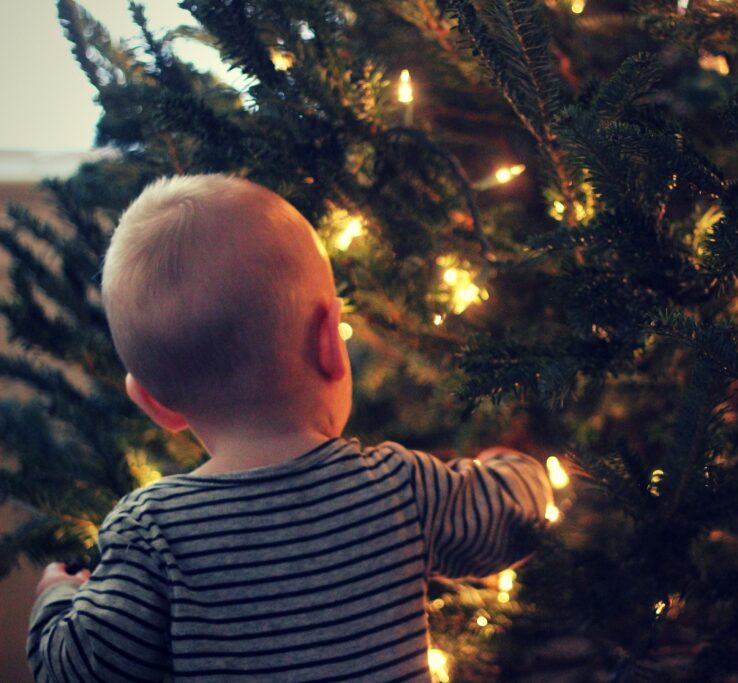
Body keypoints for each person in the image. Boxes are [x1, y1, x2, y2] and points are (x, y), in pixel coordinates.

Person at [27, 174, 553, 682]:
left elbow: (78, 668)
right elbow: (515, 516)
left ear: (154, 403)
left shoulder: (151, 529)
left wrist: (57, 596)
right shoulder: (398, 487)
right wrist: (505, 467)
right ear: (330, 340)